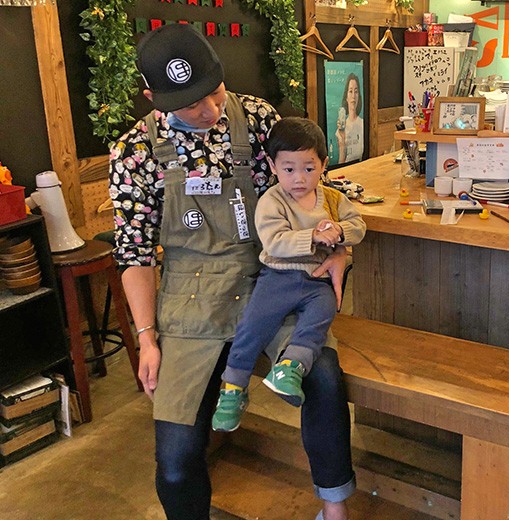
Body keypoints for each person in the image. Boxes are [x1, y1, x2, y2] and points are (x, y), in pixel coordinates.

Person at [109, 24, 355, 520]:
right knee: (175, 459)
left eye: (215, 92)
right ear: (153, 98)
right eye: (191, 104)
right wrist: (147, 338)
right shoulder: (134, 153)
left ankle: (334, 509)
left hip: (273, 279)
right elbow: (135, 254)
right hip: (190, 303)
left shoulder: (260, 120)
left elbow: (316, 192)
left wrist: (340, 251)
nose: (210, 110)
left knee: (324, 378)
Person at [211, 117, 366, 431]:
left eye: (308, 168)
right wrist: (314, 237)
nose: (299, 178)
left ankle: (290, 366)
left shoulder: (334, 198)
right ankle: (233, 387)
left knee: (321, 316)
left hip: (317, 281)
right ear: (272, 165)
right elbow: (274, 241)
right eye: (289, 169)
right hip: (278, 278)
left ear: (323, 164)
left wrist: (339, 231)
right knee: (252, 325)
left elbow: (358, 226)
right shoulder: (272, 200)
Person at [335, 73, 364, 164]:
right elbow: (341, 163)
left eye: (356, 92)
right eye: (350, 91)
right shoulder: (340, 130)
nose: (353, 96)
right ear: (346, 96)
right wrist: (342, 140)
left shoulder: (363, 124)